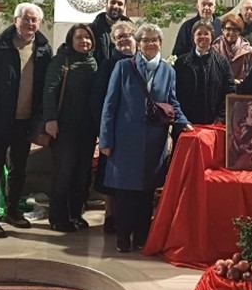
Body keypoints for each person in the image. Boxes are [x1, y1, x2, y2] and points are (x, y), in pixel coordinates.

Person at [99, 23, 193, 253]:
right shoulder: (124, 67)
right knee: (124, 193)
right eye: (145, 40)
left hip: (154, 141)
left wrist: (184, 123)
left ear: (160, 43)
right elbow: (110, 104)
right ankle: (123, 237)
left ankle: (142, 236)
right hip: (125, 140)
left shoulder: (168, 70)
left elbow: (172, 102)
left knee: (146, 193)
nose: (150, 43)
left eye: (154, 40)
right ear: (138, 44)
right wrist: (106, 140)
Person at [0, 2, 52, 238]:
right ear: (16, 20)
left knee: (19, 169)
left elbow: (47, 84)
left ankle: (12, 212)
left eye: (35, 20)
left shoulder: (44, 48)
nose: (30, 24)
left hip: (26, 120)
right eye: (26, 19)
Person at [43, 24, 98, 232]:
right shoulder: (61, 60)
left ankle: (76, 214)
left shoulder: (93, 61)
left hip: (87, 127)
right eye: (79, 38)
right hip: (64, 126)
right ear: (70, 40)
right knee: (64, 172)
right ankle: (58, 217)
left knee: (82, 173)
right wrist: (50, 118)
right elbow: (49, 91)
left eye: (87, 37)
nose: (84, 41)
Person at [89, 20, 138, 234]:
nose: (124, 40)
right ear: (113, 41)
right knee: (108, 174)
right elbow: (97, 100)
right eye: (119, 37)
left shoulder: (144, 61)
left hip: (136, 131)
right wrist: (103, 131)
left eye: (127, 35)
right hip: (114, 130)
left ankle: (131, 215)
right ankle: (110, 214)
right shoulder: (108, 65)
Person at [174, 21, 235, 128]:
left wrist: (220, 119)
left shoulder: (222, 62)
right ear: (193, 37)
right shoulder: (181, 62)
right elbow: (175, 94)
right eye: (199, 34)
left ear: (212, 37)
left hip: (214, 125)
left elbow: (230, 92)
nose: (203, 37)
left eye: (206, 34)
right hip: (187, 125)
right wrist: (182, 120)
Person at [211, 13, 252, 85]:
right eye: (228, 29)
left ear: (240, 31)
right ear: (222, 29)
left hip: (242, 89)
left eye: (235, 30)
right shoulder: (214, 50)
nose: (231, 33)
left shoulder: (249, 51)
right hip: (220, 89)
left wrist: (239, 82)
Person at [89, 0, 131, 65]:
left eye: (120, 4)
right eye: (113, 2)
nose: (115, 6)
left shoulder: (131, 32)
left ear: (124, 7)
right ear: (106, 4)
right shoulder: (91, 30)